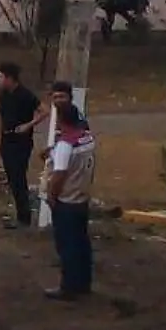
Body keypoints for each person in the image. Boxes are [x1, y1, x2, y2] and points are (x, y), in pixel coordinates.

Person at [43, 101, 98, 301]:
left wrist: (51, 196)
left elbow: (59, 175)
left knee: (67, 246)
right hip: (81, 197)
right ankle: (83, 283)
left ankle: (69, 286)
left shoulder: (66, 145)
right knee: (82, 243)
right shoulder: (87, 138)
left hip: (67, 200)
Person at [0, 62, 40, 229]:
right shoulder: (4, 95)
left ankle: (24, 217)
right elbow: (1, 118)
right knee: (12, 179)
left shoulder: (25, 95)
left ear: (10, 78)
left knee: (19, 177)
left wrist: (28, 125)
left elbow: (45, 111)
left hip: (21, 142)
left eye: (1, 76)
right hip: (7, 141)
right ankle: (20, 214)